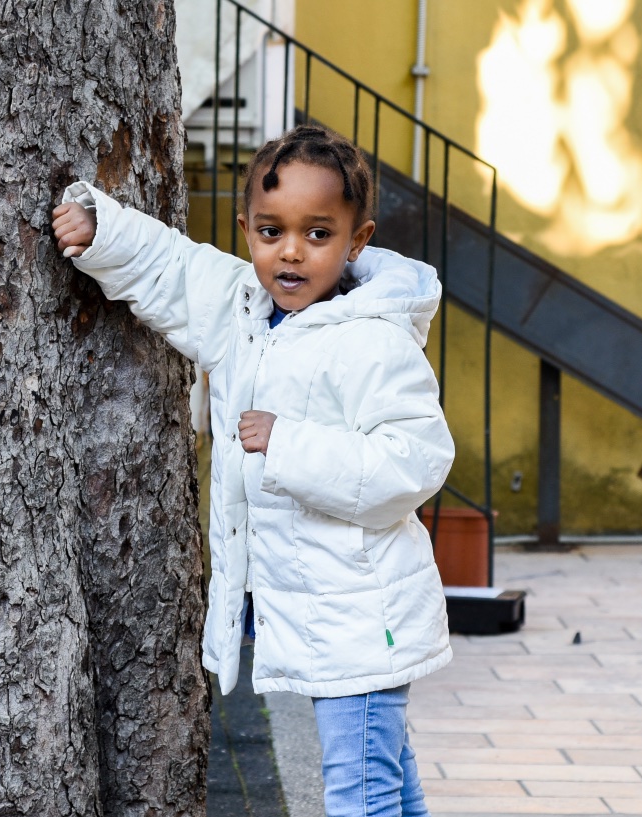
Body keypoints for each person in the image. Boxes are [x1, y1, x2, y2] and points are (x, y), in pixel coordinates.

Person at [52, 124, 454, 817]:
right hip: (326, 614)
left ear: (357, 241)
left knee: (364, 794)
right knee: (386, 781)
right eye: (271, 231)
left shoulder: (373, 340)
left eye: (318, 234)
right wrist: (100, 229)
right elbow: (173, 270)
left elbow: (414, 461)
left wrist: (288, 443)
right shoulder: (243, 308)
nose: (290, 251)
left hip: (364, 618)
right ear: (247, 230)